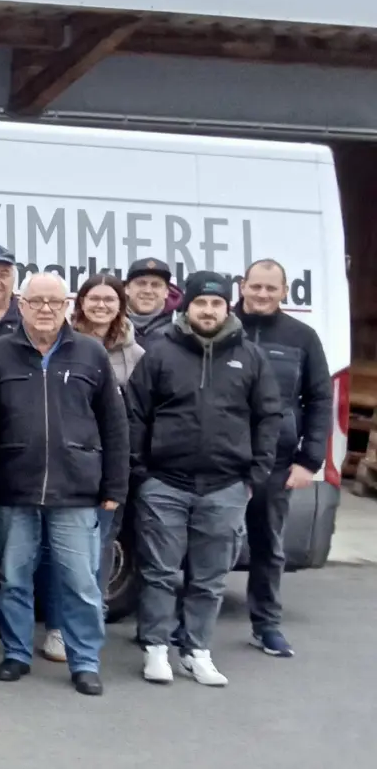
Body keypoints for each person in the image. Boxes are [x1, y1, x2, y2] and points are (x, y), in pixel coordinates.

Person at [129, 271, 280, 687]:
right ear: (186, 306)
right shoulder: (159, 354)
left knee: (210, 578)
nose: (208, 310)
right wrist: (142, 471)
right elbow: (136, 413)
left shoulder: (250, 357)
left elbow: (269, 416)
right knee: (160, 573)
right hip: (165, 483)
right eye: (201, 303)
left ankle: (197, 652)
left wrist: (255, 473)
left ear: (227, 308)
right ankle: (156, 648)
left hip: (225, 486)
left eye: (216, 304)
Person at [0, 272, 128, 696]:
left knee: (81, 583)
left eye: (53, 301)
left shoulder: (90, 354)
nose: (45, 308)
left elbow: (115, 428)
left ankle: (84, 661)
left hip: (78, 492)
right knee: (13, 579)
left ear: (67, 305)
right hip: (15, 490)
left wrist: (114, 489)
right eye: (35, 301)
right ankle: (15, 654)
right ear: (20, 305)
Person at [236, 259, 332, 658]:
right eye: (255, 286)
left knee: (267, 547)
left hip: (276, 460)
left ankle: (266, 625)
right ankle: (186, 625)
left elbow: (320, 399)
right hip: (222, 458)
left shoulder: (302, 337)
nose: (261, 295)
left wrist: (310, 460)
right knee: (202, 545)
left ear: (284, 292)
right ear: (242, 286)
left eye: (270, 289)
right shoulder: (221, 326)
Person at [71, 273, 146, 603]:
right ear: (81, 303)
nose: (101, 306)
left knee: (101, 544)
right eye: (94, 298)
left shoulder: (136, 355)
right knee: (66, 548)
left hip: (112, 465)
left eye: (109, 300)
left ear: (121, 306)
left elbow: (140, 414)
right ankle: (61, 623)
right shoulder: (62, 343)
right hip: (70, 462)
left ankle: (92, 615)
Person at [125, 258, 179, 343]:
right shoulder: (109, 323)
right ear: (127, 288)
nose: (148, 291)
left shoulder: (181, 329)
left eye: (156, 285)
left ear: (166, 292)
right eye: (141, 283)